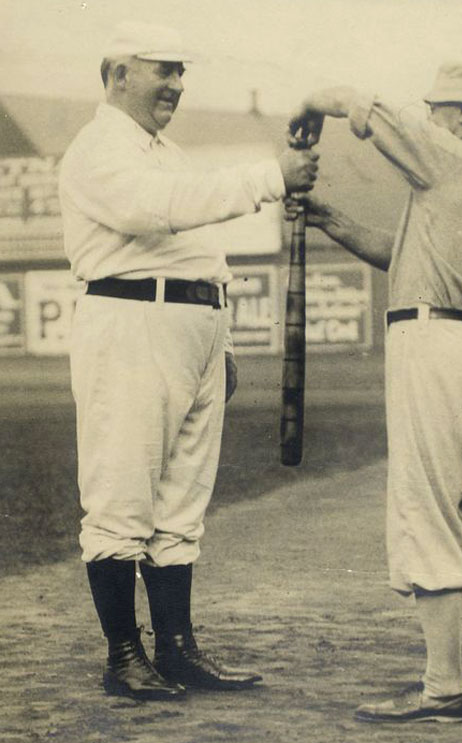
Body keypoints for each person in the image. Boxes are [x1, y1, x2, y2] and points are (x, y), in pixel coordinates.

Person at [59, 20, 318, 701]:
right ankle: (124, 656)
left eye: (181, 71)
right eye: (162, 69)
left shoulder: (161, 147)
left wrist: (222, 342)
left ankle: (176, 649)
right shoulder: (98, 148)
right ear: (117, 74)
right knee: (122, 493)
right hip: (130, 320)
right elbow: (159, 211)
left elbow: (200, 248)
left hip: (193, 324)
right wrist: (268, 176)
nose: (177, 83)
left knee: (180, 502)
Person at [287, 62, 462, 723]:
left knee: (426, 515)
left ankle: (442, 685)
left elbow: (366, 105)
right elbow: (406, 256)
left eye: (441, 109)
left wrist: (312, 97)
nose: (434, 119)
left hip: (440, 351)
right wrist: (330, 217)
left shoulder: (451, 160)